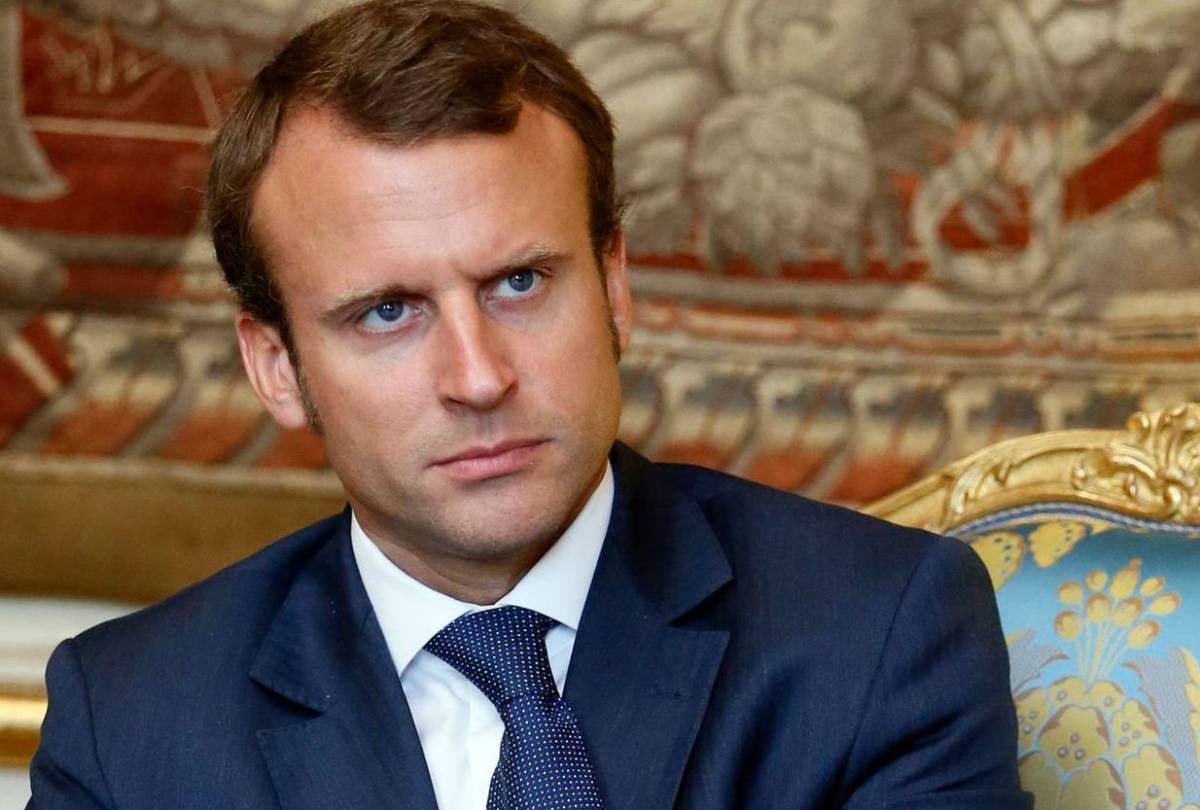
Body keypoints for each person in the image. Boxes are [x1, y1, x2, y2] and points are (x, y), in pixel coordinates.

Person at [28, 1, 1029, 808]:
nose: (478, 377)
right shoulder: (131, 725)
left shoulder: (876, 632)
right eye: (387, 312)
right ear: (276, 367)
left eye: (519, 283)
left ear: (614, 284)